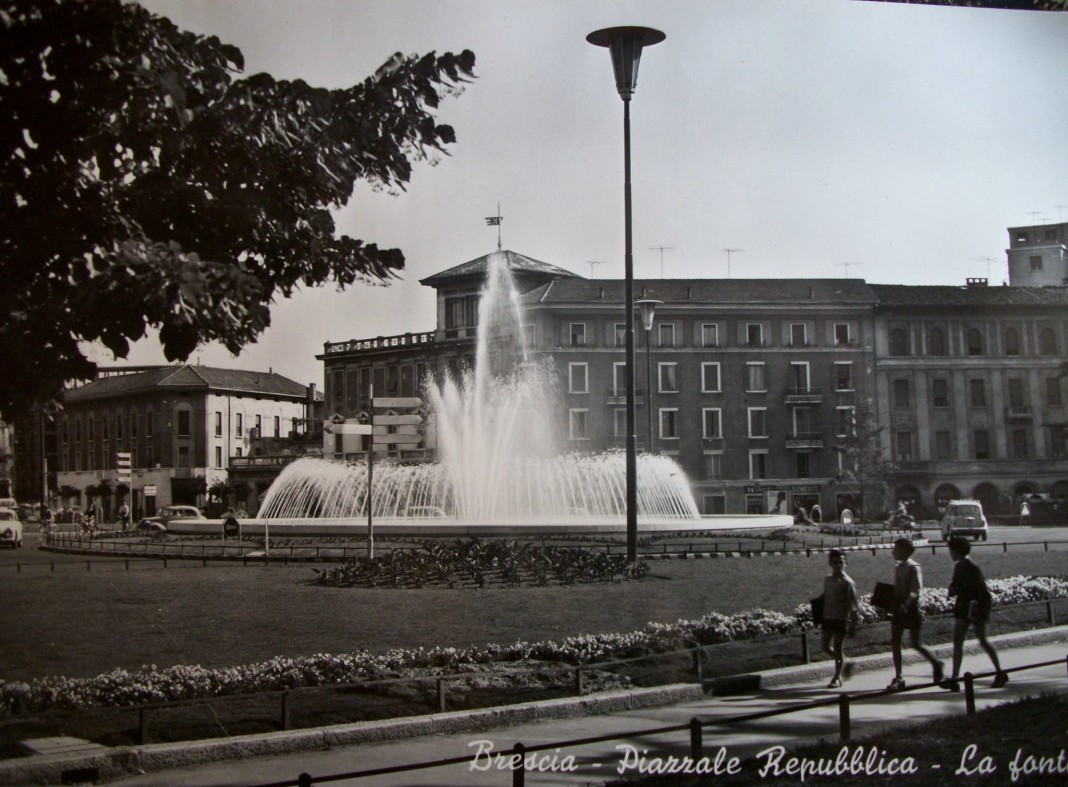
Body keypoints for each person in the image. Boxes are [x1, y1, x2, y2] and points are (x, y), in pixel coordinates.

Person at [940, 537, 1008, 691]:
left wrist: (958, 591)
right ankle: (954, 678)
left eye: (951, 551)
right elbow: (956, 584)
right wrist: (952, 589)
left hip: (975, 606)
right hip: (964, 606)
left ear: (956, 551)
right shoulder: (959, 566)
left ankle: (1000, 672)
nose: (950, 554)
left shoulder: (970, 566)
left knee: (982, 640)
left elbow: (977, 589)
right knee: (958, 641)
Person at [887, 537, 943, 690]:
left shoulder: (914, 567)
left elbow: (916, 591)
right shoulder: (899, 566)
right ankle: (899, 677)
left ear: (904, 551)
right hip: (898, 608)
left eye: (896, 549)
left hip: (910, 609)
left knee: (916, 643)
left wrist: (906, 604)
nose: (893, 551)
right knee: (895, 642)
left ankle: (936, 662)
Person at [819, 549, 859, 688]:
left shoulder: (848, 582)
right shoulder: (828, 580)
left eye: (841, 562)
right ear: (830, 563)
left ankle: (837, 677)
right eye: (835, 562)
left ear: (846, 563)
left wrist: (853, 624)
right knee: (824, 646)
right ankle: (846, 662)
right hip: (828, 617)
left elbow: (854, 605)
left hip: (841, 619)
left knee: (837, 647)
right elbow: (825, 595)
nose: (838, 565)